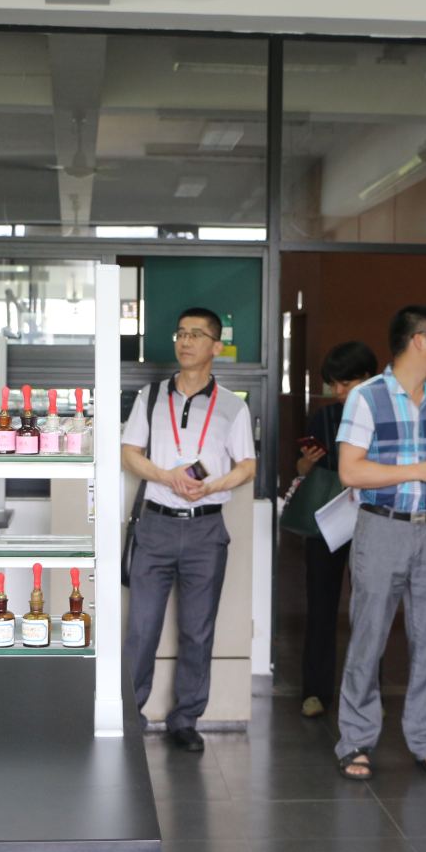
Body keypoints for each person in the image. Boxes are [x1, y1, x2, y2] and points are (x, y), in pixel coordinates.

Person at [332, 305, 426, 782]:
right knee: (369, 636)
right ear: (420, 340)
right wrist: (419, 470)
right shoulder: (365, 397)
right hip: (381, 527)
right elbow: (350, 471)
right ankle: (356, 740)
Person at [121, 308, 258, 753]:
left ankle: (185, 719)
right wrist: (167, 476)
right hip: (155, 525)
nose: (185, 341)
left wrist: (213, 485)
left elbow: (248, 466)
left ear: (216, 346)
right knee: (142, 628)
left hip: (206, 530)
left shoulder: (233, 406)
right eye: (181, 333)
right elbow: (129, 453)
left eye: (196, 334)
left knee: (198, 631)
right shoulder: (151, 396)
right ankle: (130, 714)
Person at [295, 341, 379, 719]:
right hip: (327, 519)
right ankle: (315, 691)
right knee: (321, 606)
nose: (340, 392)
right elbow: (301, 470)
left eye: (347, 383)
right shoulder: (324, 417)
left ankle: (367, 693)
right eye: (335, 384)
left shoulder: (384, 416)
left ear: (368, 379)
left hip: (373, 517)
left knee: (371, 609)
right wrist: (306, 463)